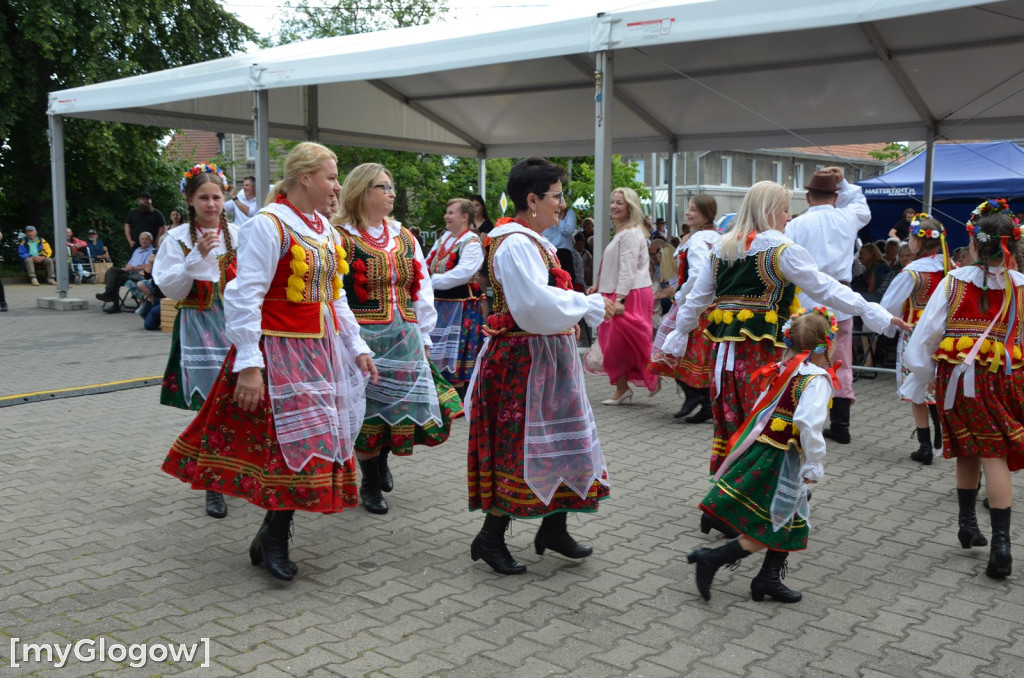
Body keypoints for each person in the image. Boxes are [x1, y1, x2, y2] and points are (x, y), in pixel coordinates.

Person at [161, 142, 376, 582]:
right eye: (331, 177)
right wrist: (250, 364)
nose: (337, 186)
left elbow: (334, 295)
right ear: (305, 179)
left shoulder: (321, 228)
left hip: (321, 351)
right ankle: (274, 536)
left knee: (311, 443)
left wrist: (357, 346)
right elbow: (244, 295)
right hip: (280, 350)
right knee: (286, 448)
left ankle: (271, 533)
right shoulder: (268, 224)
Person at [661, 181, 907, 536]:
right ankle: (738, 508)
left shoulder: (722, 249)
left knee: (733, 420)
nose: (789, 218)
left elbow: (696, 299)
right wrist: (874, 312)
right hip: (765, 358)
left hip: (725, 357)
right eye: (786, 210)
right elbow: (825, 287)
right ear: (771, 211)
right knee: (767, 427)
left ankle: (724, 503)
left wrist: (679, 334)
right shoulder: (779, 249)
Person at [467, 156, 615, 575]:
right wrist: (588, 303)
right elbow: (533, 305)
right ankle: (490, 537)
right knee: (520, 447)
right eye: (556, 196)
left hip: (546, 361)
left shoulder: (534, 241)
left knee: (562, 444)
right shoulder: (514, 243)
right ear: (531, 200)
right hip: (524, 364)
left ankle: (554, 526)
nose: (562, 204)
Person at [901, 199, 1023, 580]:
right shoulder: (1020, 284)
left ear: (974, 244)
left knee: (973, 448)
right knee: (992, 451)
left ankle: (971, 526)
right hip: (1004, 378)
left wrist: (923, 375)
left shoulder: (954, 281)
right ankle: (994, 539)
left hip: (958, 379)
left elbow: (925, 336)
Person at [334, 163, 463, 516]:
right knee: (366, 411)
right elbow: (335, 295)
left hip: (403, 335)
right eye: (384, 187)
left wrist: (424, 334)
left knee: (397, 408)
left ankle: (380, 461)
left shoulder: (404, 236)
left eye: (391, 187)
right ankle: (370, 482)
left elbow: (420, 287)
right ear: (362, 192)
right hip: (363, 340)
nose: (391, 193)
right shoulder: (339, 236)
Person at [686, 308, 838, 603]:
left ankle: (767, 578)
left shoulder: (785, 368)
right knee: (774, 520)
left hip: (767, 449)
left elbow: (763, 409)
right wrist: (814, 463)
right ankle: (713, 558)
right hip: (785, 457)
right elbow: (808, 422)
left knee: (791, 514)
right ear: (825, 343)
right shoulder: (817, 379)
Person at [152, 163, 240, 519]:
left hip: (234, 326)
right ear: (190, 200)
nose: (211, 204)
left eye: (217, 197)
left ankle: (233, 470)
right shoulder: (176, 238)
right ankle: (212, 484)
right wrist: (197, 256)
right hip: (199, 327)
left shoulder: (239, 233)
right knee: (209, 407)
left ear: (225, 199)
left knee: (236, 403)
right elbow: (168, 286)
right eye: (203, 197)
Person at [785, 167, 871, 446]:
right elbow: (861, 206)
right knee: (841, 359)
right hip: (841, 298)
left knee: (802, 356)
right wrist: (843, 181)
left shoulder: (796, 224)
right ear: (835, 197)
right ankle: (841, 425)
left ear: (808, 197)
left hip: (808, 296)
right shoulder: (846, 217)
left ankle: (802, 418)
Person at [879, 214, 949, 465]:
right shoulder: (952, 268)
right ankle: (941, 434)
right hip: (947, 337)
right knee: (937, 385)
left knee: (917, 387)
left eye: (910, 238)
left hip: (916, 333)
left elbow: (889, 305)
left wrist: (888, 328)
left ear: (919, 242)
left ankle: (925, 445)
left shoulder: (913, 272)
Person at [650, 195, 718, 422]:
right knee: (698, 355)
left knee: (667, 348)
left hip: (693, 304)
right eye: (688, 209)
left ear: (705, 215)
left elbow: (699, 273)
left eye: (693, 210)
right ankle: (703, 399)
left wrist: (682, 294)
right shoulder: (717, 238)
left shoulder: (698, 241)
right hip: (712, 305)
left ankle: (695, 395)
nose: (688, 213)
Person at [588, 187, 658, 404]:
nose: (614, 206)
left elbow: (627, 270)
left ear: (630, 206)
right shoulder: (624, 232)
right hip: (620, 291)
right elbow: (614, 266)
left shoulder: (629, 233)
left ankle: (653, 373)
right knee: (616, 343)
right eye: (612, 202)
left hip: (629, 294)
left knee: (623, 343)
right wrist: (598, 286)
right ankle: (625, 386)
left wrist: (619, 299)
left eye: (619, 202)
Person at [425, 198, 485, 394]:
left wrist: (429, 281)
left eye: (451, 212)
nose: (446, 216)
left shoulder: (472, 242)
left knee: (457, 353)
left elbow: (463, 273)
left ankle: (457, 395)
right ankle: (438, 391)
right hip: (438, 305)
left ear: (464, 217)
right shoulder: (444, 239)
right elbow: (426, 262)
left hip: (460, 308)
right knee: (435, 348)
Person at [95, 231, 155, 314]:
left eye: (146, 239)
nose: (144, 241)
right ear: (139, 240)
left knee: (114, 276)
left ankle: (111, 298)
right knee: (113, 272)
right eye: (142, 239)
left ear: (151, 241)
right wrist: (127, 266)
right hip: (130, 272)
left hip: (139, 274)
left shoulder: (152, 251)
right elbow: (130, 262)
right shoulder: (137, 250)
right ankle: (109, 295)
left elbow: (148, 265)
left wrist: (133, 268)